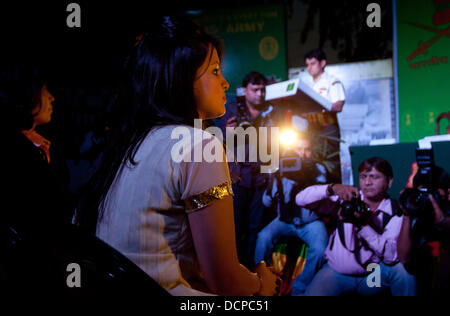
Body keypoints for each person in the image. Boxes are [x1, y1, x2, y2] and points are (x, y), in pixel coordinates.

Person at [74, 16, 278, 296]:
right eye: (216, 71)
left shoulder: (132, 143)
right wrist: (262, 285)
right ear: (182, 78)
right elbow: (225, 282)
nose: (226, 84)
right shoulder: (199, 145)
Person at [296, 157, 417, 296]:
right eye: (363, 177)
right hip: (337, 272)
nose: (367, 182)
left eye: (374, 177)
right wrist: (332, 188)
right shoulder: (347, 197)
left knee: (403, 270)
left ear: (389, 182)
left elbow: (391, 256)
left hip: (373, 275)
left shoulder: (396, 211)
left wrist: (363, 226)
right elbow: (300, 199)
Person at [254, 135, 329, 296]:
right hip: (285, 220)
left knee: (320, 248)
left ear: (311, 152)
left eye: (307, 150)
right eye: (299, 149)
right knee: (263, 238)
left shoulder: (318, 169)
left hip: (310, 222)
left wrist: (306, 177)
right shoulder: (283, 167)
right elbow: (267, 202)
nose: (302, 153)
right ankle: (260, 282)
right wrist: (275, 180)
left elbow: (322, 198)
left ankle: (300, 287)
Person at [218, 71, 276, 268]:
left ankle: (252, 272)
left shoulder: (271, 112)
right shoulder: (231, 110)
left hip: (261, 179)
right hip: (237, 178)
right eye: (255, 89)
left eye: (262, 89)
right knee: (235, 227)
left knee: (255, 228)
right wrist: (227, 134)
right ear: (245, 90)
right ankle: (235, 270)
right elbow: (216, 143)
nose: (260, 94)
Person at [397, 165, 450, 295]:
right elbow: (404, 258)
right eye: (423, 194)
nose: (428, 199)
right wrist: (407, 212)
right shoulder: (417, 217)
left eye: (432, 194)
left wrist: (440, 216)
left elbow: (444, 224)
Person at [302, 48, 345, 183]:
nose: (309, 68)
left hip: (327, 129)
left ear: (323, 63)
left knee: (330, 165)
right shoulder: (307, 85)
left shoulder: (332, 81)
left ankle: (336, 198)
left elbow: (338, 105)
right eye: (307, 64)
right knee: (312, 166)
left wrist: (318, 105)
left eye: (313, 63)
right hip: (311, 129)